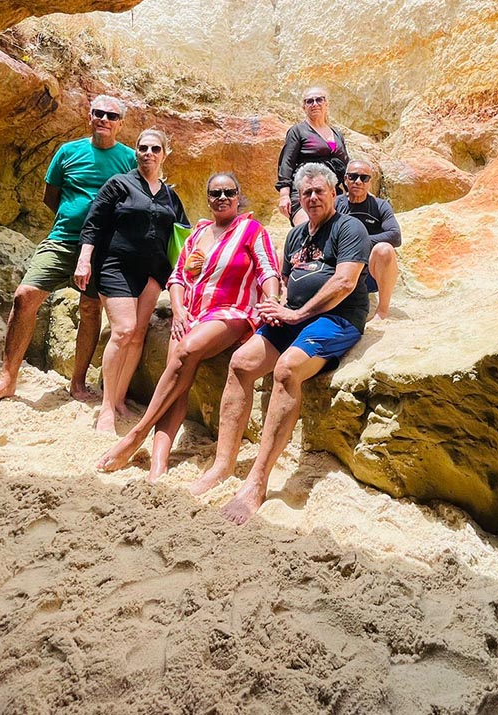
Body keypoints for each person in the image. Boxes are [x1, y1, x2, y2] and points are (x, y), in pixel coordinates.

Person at [190, 163, 370, 523]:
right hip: (294, 315)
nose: (313, 198)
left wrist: (297, 313)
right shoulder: (297, 235)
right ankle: (223, 464)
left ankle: (257, 481)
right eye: (306, 193)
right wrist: (276, 308)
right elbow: (286, 283)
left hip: (338, 318)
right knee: (241, 363)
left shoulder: (349, 228)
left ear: (334, 193)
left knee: (287, 369)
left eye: (319, 191)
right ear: (298, 198)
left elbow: (344, 283)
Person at [95, 172, 281, 478]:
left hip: (230, 312)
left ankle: (135, 436)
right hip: (190, 314)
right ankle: (158, 463)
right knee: (176, 387)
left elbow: (267, 269)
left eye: (229, 192)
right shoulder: (199, 233)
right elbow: (178, 276)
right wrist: (179, 310)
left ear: (239, 196)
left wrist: (272, 299)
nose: (222, 198)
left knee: (185, 352)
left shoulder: (251, 229)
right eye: (215, 193)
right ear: (208, 199)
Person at [0, 96, 136, 405]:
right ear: (89, 117)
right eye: (99, 113)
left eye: (112, 116)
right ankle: (7, 378)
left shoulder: (130, 159)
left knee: (90, 309)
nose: (104, 119)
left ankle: (77, 382)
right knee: (24, 296)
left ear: (120, 124)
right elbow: (50, 196)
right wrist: (74, 218)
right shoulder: (68, 152)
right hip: (62, 240)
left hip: (103, 248)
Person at [75, 129, 189, 435]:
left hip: (153, 271)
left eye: (155, 148)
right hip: (116, 265)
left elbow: (185, 235)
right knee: (124, 330)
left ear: (165, 154)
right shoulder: (119, 184)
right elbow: (93, 222)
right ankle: (106, 407)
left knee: (137, 335)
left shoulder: (170, 196)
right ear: (136, 152)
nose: (148, 153)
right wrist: (84, 259)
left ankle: (120, 398)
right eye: (143, 148)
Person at [335, 158, 401, 320]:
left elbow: (395, 235)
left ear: (370, 182)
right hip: (340, 268)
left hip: (369, 273)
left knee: (384, 250)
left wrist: (359, 242)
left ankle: (382, 311)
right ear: (345, 179)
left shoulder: (380, 206)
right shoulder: (335, 204)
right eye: (353, 177)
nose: (358, 182)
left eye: (364, 178)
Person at [276, 86, 348, 226]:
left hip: (332, 192)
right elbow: (287, 163)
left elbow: (345, 165)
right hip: (306, 191)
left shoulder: (337, 134)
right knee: (308, 229)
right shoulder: (297, 131)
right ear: (304, 107)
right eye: (309, 101)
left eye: (319, 100)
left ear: (327, 104)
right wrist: (284, 195)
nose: (315, 104)